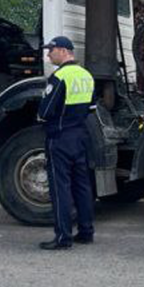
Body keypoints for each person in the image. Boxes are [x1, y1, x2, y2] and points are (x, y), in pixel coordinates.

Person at [38, 36, 96, 250]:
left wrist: (43, 118)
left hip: (60, 137)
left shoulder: (59, 77)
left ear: (63, 50)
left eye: (50, 50)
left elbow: (45, 111)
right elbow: (92, 108)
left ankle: (63, 237)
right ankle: (86, 231)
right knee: (82, 185)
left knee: (60, 187)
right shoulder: (86, 75)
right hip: (80, 136)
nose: (48, 54)